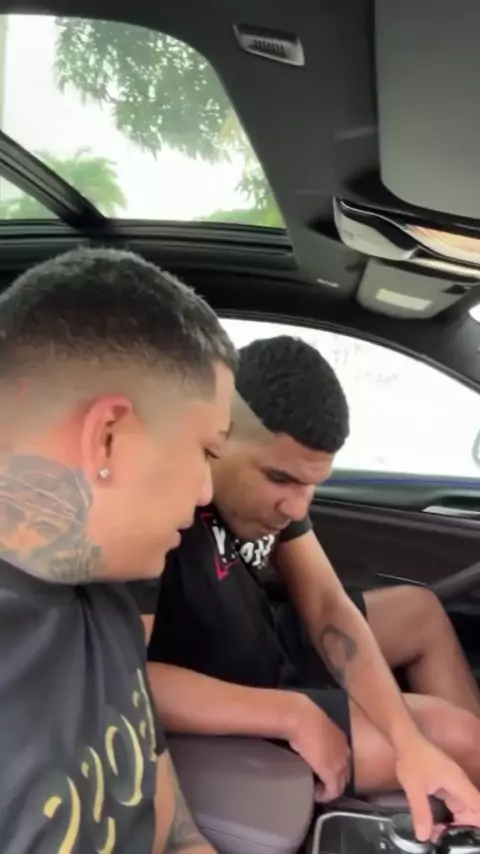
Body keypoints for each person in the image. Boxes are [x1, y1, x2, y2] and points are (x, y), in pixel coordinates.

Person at [140, 336, 480, 843]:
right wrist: (288, 713)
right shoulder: (153, 511)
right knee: (460, 736)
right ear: (217, 434)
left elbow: (325, 604)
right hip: (236, 696)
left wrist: (407, 741)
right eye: (280, 478)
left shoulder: (270, 499)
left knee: (419, 611)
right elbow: (122, 674)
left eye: (310, 484)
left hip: (266, 640)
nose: (298, 507)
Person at [0, 247, 236, 853]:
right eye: (207, 451)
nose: (207, 492)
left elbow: (171, 827)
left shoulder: (107, 592)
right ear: (107, 437)